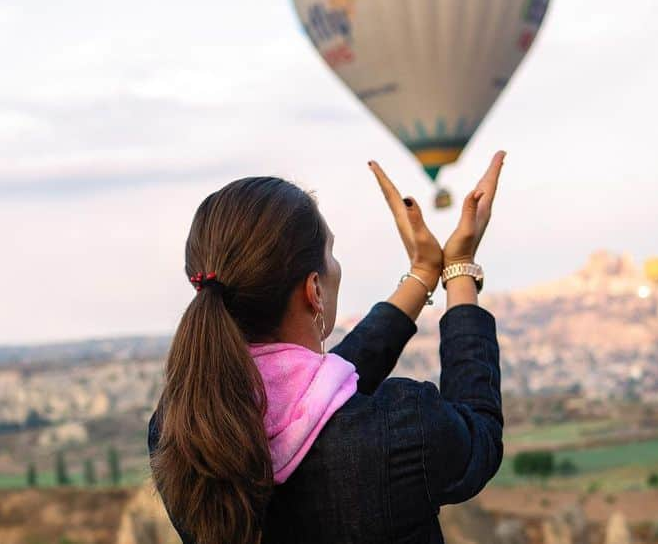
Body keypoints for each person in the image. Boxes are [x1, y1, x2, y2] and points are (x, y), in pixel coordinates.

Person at [147, 151, 506, 543]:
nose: (336, 265)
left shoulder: (183, 430)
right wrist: (460, 268)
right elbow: (479, 437)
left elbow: (320, 394)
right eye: (330, 253)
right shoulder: (402, 430)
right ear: (314, 289)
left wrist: (422, 274)